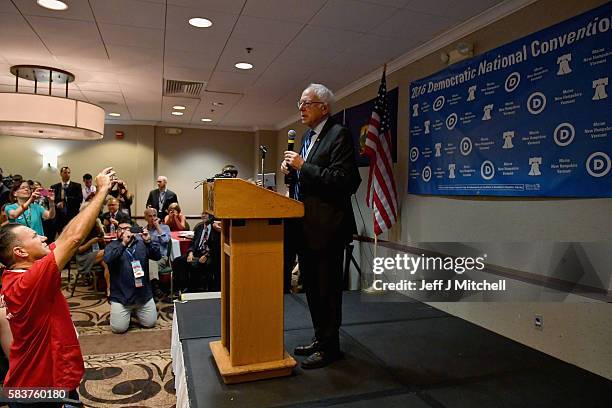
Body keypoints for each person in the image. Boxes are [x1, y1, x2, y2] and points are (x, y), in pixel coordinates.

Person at [0, 167, 116, 404]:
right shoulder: (27, 281)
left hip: (48, 377)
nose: (43, 238)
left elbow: (65, 236)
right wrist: (103, 190)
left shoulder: (28, 268)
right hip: (37, 390)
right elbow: (73, 240)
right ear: (20, 252)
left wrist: (93, 197)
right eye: (35, 236)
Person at [280, 83, 360, 369]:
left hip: (328, 227)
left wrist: (303, 166)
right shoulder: (307, 136)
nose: (300, 108)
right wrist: (291, 173)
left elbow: (345, 181)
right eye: (300, 103)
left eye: (306, 103)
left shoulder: (339, 135)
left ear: (323, 108)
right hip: (305, 225)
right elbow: (306, 181)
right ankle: (320, 338)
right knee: (312, 288)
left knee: (327, 289)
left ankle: (330, 348)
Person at [103, 222, 161, 333]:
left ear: (134, 231)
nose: (123, 232)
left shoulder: (142, 244)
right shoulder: (112, 246)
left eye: (127, 229)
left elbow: (157, 256)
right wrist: (124, 243)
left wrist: (149, 241)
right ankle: (128, 312)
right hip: (122, 297)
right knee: (118, 329)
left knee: (150, 323)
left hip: (142, 295)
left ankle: (134, 312)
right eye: (120, 229)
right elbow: (107, 259)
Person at [172, 212, 220, 292]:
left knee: (196, 264)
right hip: (197, 252)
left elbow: (217, 246)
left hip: (210, 254)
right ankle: (183, 287)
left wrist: (207, 255)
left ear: (212, 216)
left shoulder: (216, 229)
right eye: (203, 213)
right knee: (178, 261)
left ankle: (194, 288)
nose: (204, 215)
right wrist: (190, 253)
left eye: (207, 214)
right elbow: (193, 242)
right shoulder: (199, 227)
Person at [143, 208, 171, 299]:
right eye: (150, 216)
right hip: (147, 258)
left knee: (150, 262)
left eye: (154, 216)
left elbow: (165, 240)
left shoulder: (165, 228)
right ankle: (154, 288)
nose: (152, 218)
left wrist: (158, 226)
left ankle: (153, 288)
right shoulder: (144, 230)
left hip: (161, 257)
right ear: (145, 218)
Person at [51, 166, 83, 236]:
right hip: (59, 218)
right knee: (61, 237)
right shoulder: (54, 187)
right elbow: (51, 200)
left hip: (72, 216)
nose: (67, 174)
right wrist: (57, 204)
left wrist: (66, 199)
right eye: (65, 172)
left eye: (69, 173)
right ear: (61, 174)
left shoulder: (77, 186)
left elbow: (80, 199)